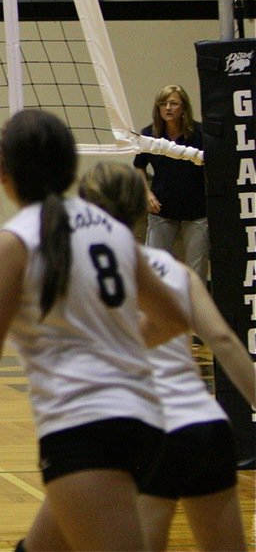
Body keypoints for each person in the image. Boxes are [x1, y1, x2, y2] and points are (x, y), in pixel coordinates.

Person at [0, 109, 189, 551]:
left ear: (4, 173)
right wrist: (113, 346)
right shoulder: (111, 228)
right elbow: (173, 318)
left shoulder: (13, 242)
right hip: (146, 423)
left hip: (86, 430)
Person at [78, 161, 255, 552]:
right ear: (141, 207)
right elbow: (223, 341)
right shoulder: (174, 270)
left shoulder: (80, 276)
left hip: (150, 433)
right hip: (206, 427)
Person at [133, 84, 209, 286]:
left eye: (173, 103)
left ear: (183, 108)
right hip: (162, 209)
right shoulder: (149, 135)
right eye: (163, 104)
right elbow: (139, 167)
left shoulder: (200, 134)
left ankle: (194, 314)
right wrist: (147, 194)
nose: (168, 108)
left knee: (196, 270)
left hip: (197, 210)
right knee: (155, 268)